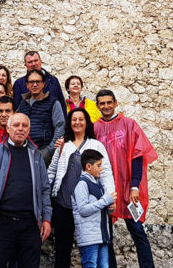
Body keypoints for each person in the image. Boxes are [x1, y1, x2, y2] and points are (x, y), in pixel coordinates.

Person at [0, 113, 52, 268]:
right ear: (8, 128)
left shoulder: (36, 155)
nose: (20, 129)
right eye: (16, 125)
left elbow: (44, 189)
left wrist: (46, 219)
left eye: (24, 125)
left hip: (30, 225)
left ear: (29, 130)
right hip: (0, 223)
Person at [94, 90, 158, 268]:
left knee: (137, 231)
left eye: (109, 102)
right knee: (107, 235)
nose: (106, 106)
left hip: (128, 188)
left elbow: (138, 156)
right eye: (102, 103)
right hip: (107, 190)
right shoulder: (95, 128)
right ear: (98, 106)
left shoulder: (129, 125)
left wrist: (135, 185)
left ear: (115, 103)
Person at [48, 108, 114, 268]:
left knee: (99, 247)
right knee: (62, 248)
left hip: (90, 206)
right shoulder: (63, 145)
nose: (77, 122)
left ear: (86, 122)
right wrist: (46, 195)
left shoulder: (96, 145)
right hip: (64, 204)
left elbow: (106, 173)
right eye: (74, 119)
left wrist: (111, 198)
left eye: (81, 119)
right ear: (69, 123)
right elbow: (52, 171)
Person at [73, 149, 116, 268]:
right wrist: (105, 201)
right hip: (89, 239)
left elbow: (100, 208)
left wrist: (110, 208)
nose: (101, 169)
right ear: (88, 166)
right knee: (90, 265)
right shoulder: (82, 184)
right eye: (99, 165)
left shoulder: (99, 184)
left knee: (104, 266)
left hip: (102, 236)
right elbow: (83, 210)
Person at [17, 70, 65, 165]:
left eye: (38, 82)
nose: (35, 85)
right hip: (24, 153)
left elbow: (60, 127)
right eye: (31, 82)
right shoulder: (22, 104)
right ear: (27, 85)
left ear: (43, 84)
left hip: (45, 154)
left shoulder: (53, 103)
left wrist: (49, 151)